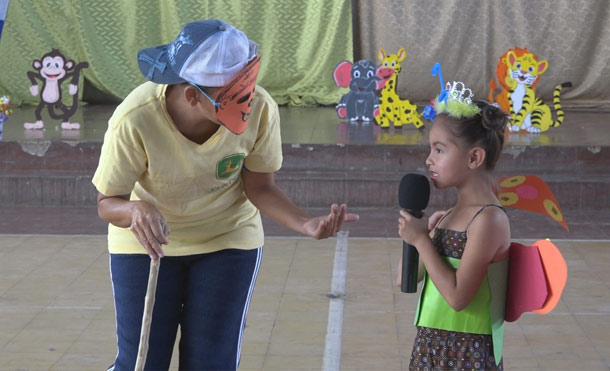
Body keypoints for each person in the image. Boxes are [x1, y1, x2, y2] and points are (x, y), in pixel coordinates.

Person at [92, 19, 358, 371]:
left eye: (247, 87)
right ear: (192, 95)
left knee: (212, 363)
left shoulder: (261, 109)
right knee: (141, 363)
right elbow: (107, 204)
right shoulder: (135, 118)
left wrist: (306, 224)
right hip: (147, 242)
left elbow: (260, 185)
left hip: (227, 237)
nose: (248, 102)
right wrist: (135, 210)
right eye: (235, 95)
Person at [397, 85, 510, 370]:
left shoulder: (488, 220)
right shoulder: (447, 215)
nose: (428, 159)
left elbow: (458, 298)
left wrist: (423, 241)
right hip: (431, 345)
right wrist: (418, 237)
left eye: (439, 149)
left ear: (474, 158)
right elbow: (405, 280)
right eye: (430, 149)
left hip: (466, 353)